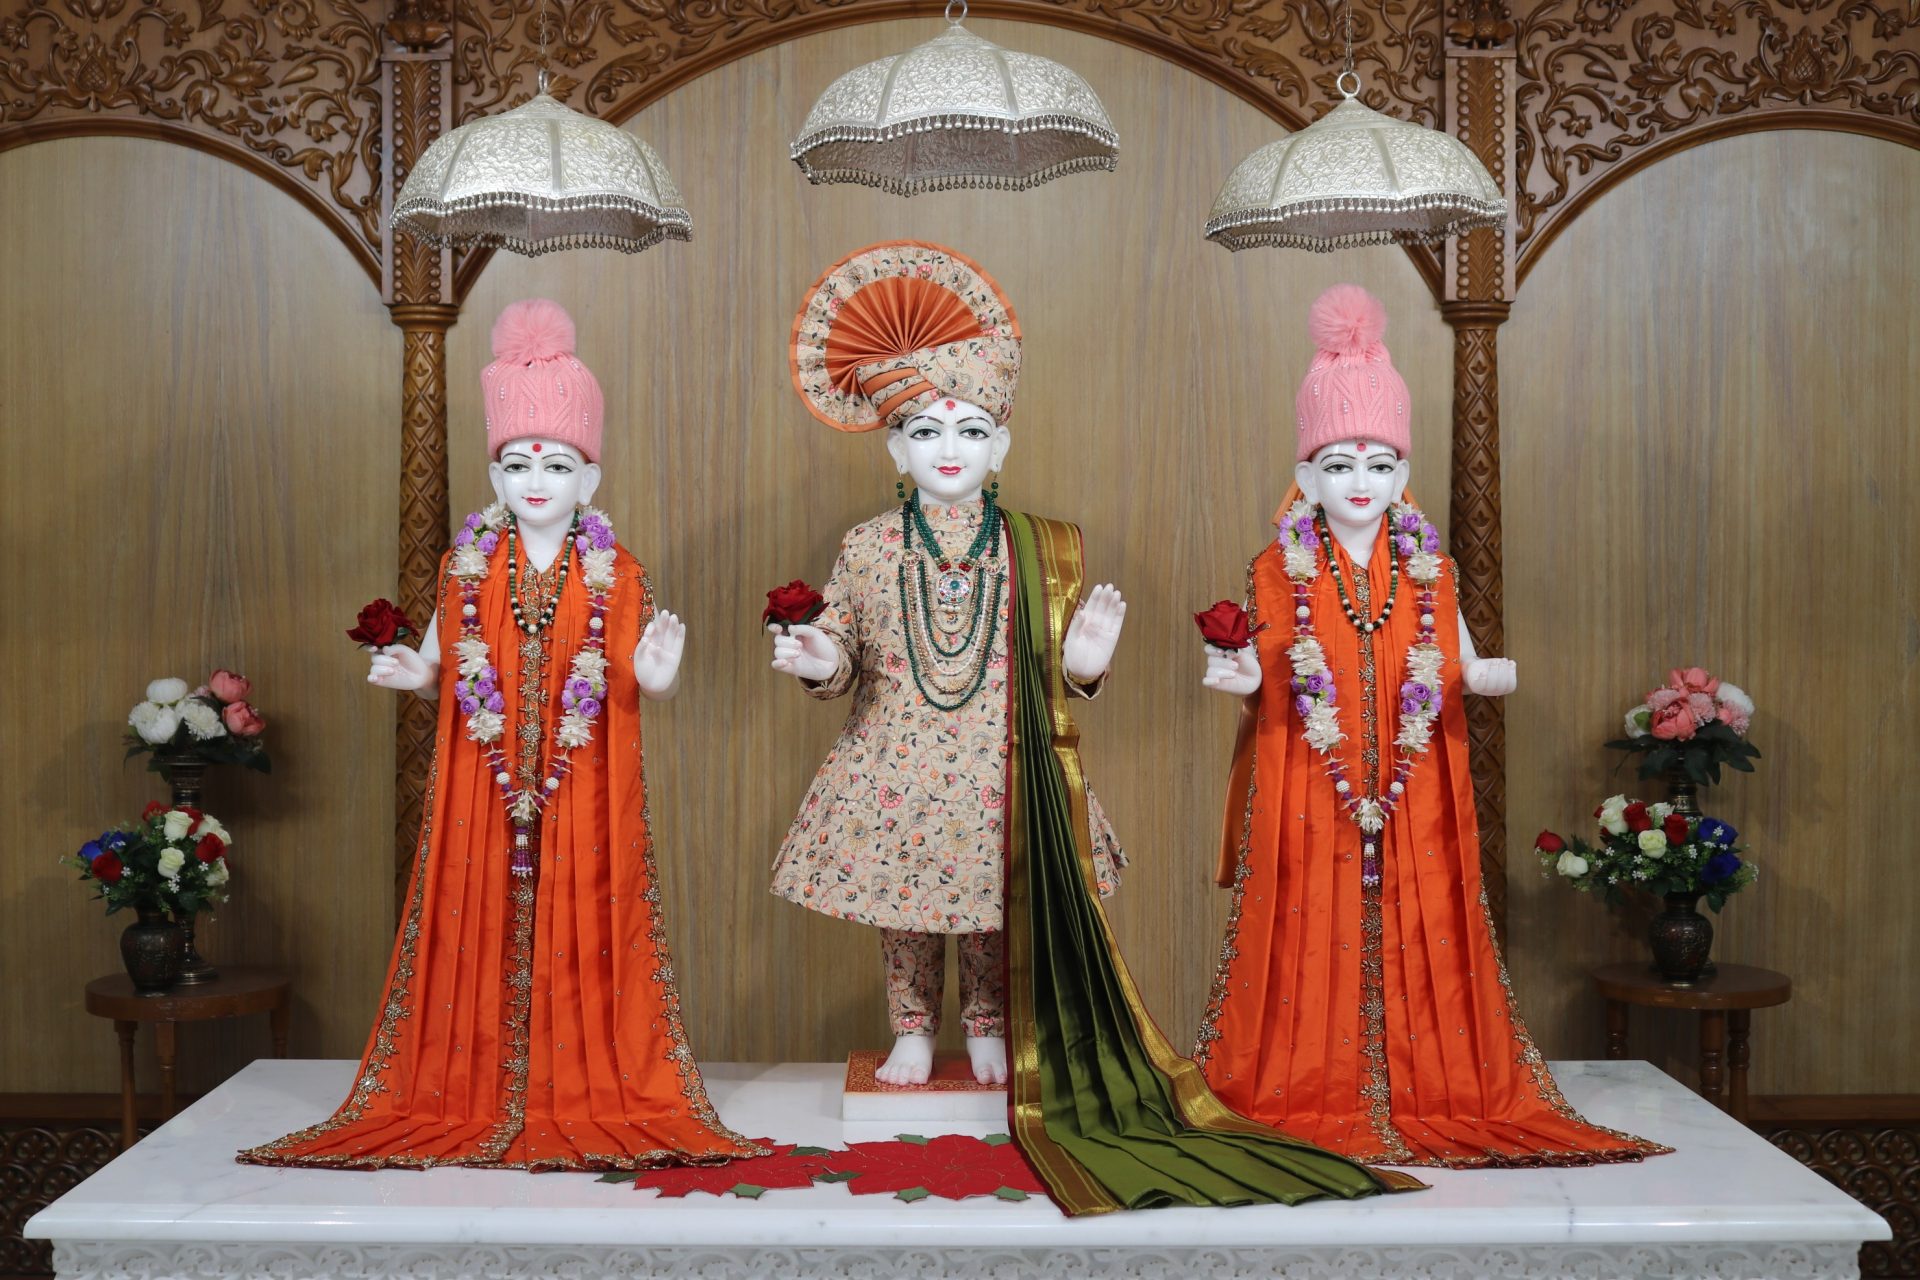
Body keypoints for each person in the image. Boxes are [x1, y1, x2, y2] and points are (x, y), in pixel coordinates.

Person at [772, 243, 1420, 1214]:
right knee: (906, 909)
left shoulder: (1039, 544)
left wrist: (1082, 659)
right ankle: (911, 1027)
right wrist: (820, 658)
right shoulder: (867, 546)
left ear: (1002, 446)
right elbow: (844, 642)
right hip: (895, 757)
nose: (949, 445)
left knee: (999, 902)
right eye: (925, 429)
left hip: (1005, 762)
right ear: (895, 449)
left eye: (972, 427)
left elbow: (1059, 670)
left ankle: (990, 1025)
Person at [240, 300, 761, 1171]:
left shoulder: (617, 570)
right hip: (482, 777)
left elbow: (636, 672)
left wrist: (660, 674)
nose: (535, 478)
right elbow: (446, 659)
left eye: (556, 463)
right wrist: (417, 672)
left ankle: (584, 1085)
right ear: (495, 474)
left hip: (585, 781)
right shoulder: (466, 562)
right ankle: (468, 1086)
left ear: (589, 480)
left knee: (590, 908)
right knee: (471, 904)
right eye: (517, 462)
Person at [1193, 284, 1668, 1168]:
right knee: (1308, 907)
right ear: (1303, 477)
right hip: (1309, 769)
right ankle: (1303, 1079)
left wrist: (1482, 671)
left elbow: (1454, 648)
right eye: (1338, 465)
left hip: (1414, 773)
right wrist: (1237, 670)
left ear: (1403, 474)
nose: (1360, 483)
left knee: (1425, 910)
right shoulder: (1278, 567)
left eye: (1378, 463)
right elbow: (1266, 663)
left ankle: (1431, 1079)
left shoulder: (1430, 566)